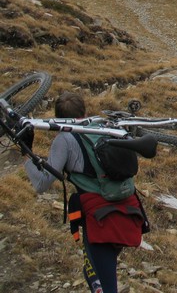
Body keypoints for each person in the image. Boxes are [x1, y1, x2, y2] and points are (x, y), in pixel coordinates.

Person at [22, 91, 145, 293]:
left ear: (58, 117)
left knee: (104, 285)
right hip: (128, 208)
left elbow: (42, 183)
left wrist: (26, 152)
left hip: (100, 218)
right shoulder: (103, 127)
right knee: (93, 271)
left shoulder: (65, 139)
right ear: (84, 110)